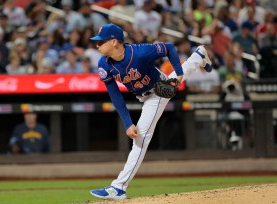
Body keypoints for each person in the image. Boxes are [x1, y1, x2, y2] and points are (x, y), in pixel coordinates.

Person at [89, 23, 212, 200]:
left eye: (101, 41)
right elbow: (115, 95)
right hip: (143, 95)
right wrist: (127, 123)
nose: (97, 45)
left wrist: (177, 74)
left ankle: (119, 187)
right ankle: (198, 56)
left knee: (140, 139)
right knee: (139, 133)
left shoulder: (139, 52)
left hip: (158, 91)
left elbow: (168, 48)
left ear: (114, 41)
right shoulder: (104, 64)